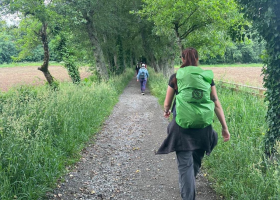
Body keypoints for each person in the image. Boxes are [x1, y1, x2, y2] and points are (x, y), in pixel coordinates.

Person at [156, 47, 230, 200]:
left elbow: (167, 103)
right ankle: (188, 184)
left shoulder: (176, 77)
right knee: (195, 161)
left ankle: (187, 190)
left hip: (182, 129)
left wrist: (166, 111)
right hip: (204, 129)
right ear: (197, 59)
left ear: (182, 59)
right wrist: (224, 127)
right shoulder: (206, 77)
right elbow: (216, 103)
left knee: (185, 167)